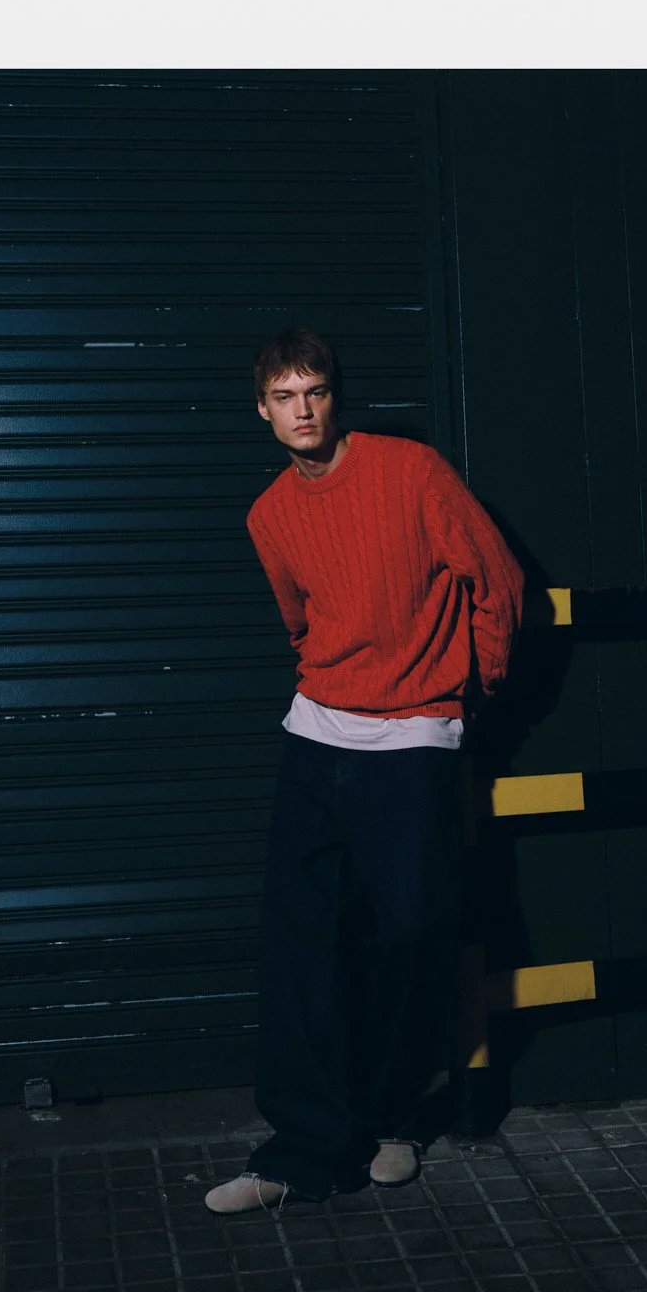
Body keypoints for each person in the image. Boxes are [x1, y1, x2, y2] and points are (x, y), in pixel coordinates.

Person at [204, 328, 524, 1214]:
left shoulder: (410, 472)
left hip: (414, 740)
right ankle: (303, 1152)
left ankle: (388, 1122)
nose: (301, 411)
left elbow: (496, 581)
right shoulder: (269, 514)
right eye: (283, 397)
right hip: (317, 737)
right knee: (302, 945)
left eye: (314, 392)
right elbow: (301, 622)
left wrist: (468, 689)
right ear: (261, 410)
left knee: (409, 935)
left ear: (333, 398)